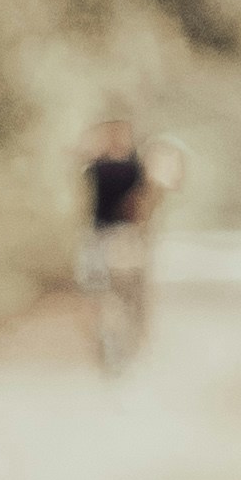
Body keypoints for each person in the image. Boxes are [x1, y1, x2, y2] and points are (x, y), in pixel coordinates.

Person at [75, 112, 161, 373]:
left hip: (110, 237)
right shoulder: (133, 168)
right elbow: (146, 201)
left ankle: (115, 344)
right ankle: (122, 344)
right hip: (118, 237)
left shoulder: (100, 167)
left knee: (106, 294)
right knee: (121, 296)